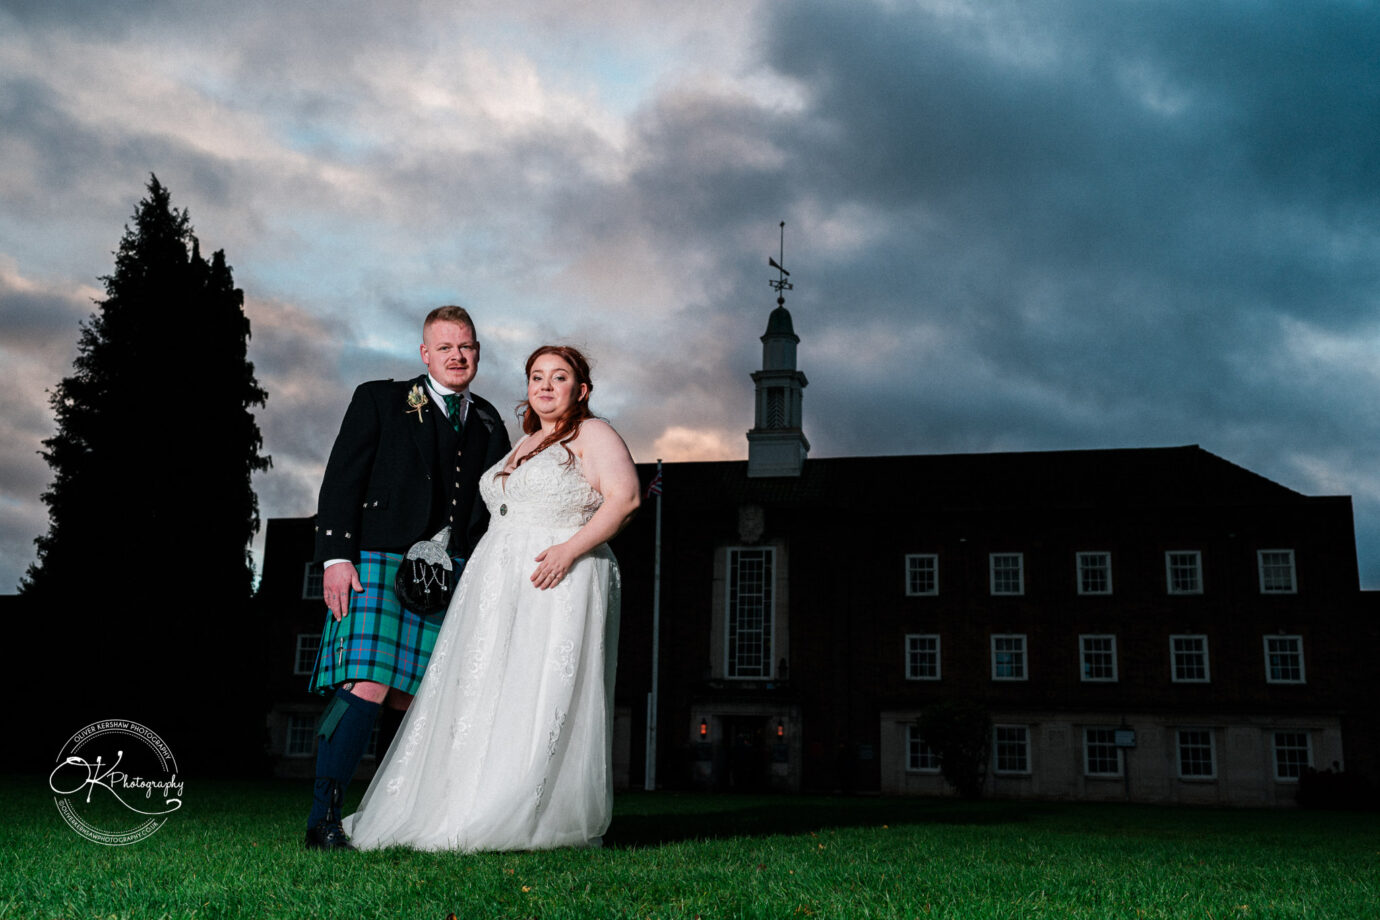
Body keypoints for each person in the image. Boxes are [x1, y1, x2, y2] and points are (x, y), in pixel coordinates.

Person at [341, 344, 640, 851]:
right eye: (536, 376)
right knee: (489, 687)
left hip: (557, 577)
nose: (545, 386)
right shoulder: (524, 442)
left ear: (581, 390)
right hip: (496, 579)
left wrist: (568, 551)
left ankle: (519, 807)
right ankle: (460, 798)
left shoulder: (593, 433)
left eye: (559, 377)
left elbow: (626, 498)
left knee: (534, 688)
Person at [304, 305, 512, 850]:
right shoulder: (379, 397)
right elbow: (341, 478)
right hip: (377, 558)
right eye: (444, 347)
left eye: (465, 346)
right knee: (366, 684)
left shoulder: (489, 419)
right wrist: (335, 558)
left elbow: (494, 504)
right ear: (425, 354)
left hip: (454, 570)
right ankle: (322, 818)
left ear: (478, 352)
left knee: (415, 697)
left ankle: (391, 818)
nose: (456, 356)